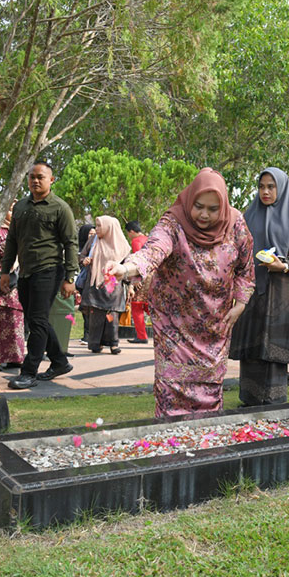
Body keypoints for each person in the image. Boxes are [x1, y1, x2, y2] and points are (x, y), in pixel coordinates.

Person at [106, 168, 255, 417]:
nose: (204, 215)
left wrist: (240, 303)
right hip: (175, 327)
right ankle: (169, 450)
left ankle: (208, 451)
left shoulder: (236, 223)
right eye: (198, 206)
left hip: (214, 326)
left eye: (212, 208)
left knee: (210, 394)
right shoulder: (174, 222)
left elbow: (246, 268)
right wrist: (126, 268)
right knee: (171, 393)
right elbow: (153, 250)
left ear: (224, 206)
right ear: (189, 200)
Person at [229, 167, 289, 406]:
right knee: (253, 343)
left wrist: (284, 265)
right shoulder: (247, 216)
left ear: (281, 188)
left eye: (271, 187)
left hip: (280, 289)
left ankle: (274, 397)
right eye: (262, 186)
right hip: (252, 290)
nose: (265, 191)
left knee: (273, 342)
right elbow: (237, 250)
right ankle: (250, 396)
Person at [0, 162, 79, 389]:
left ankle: (28, 372)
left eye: (40, 177)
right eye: (32, 177)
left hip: (50, 270)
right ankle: (60, 362)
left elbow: (71, 243)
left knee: (37, 320)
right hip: (26, 272)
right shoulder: (21, 207)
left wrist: (70, 277)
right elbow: (12, 240)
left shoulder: (60, 208)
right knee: (37, 319)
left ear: (51, 180)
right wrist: (5, 271)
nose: (35, 181)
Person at [79, 215, 130, 354]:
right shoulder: (93, 240)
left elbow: (127, 266)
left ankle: (114, 344)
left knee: (111, 316)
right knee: (95, 315)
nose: (97, 229)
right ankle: (95, 344)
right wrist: (84, 260)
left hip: (113, 286)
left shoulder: (122, 244)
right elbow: (81, 255)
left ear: (109, 227)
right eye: (96, 225)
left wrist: (130, 286)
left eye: (99, 225)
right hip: (95, 284)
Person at [0, 201, 24, 371]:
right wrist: (9, 241)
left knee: (15, 319)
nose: (12, 213)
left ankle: (15, 357)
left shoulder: (23, 230)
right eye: (9, 210)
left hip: (17, 281)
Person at [124, 220, 149, 344]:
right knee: (150, 306)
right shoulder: (149, 239)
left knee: (137, 305)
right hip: (154, 276)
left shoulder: (136, 241)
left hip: (143, 277)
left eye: (128, 233)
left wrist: (135, 280)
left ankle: (142, 336)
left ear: (132, 232)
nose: (129, 236)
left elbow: (139, 260)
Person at [77, 222, 95, 343]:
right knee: (85, 309)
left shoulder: (97, 246)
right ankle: (86, 335)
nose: (93, 236)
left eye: (94, 234)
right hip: (83, 281)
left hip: (94, 281)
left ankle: (90, 335)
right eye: (90, 234)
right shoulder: (79, 250)